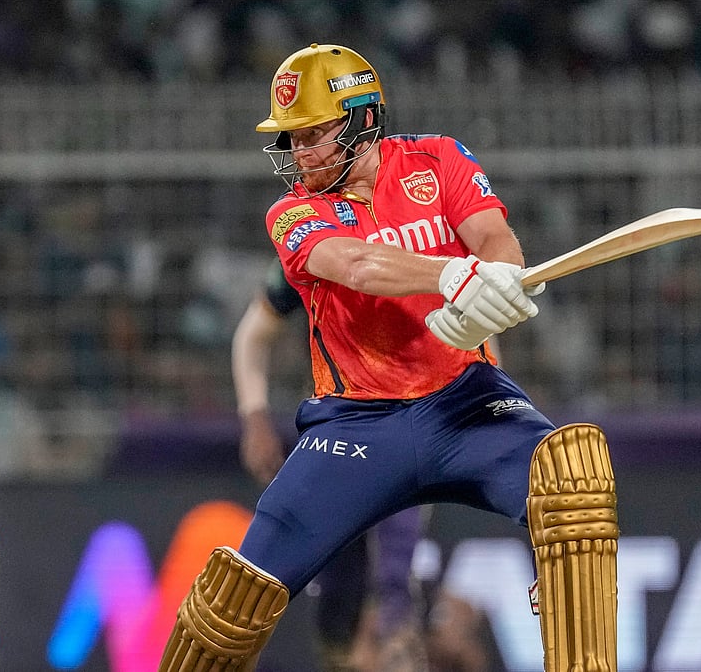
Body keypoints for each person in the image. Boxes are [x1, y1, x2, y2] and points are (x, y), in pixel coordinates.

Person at [158, 43, 619, 672]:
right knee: (230, 602)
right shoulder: (293, 211)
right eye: (291, 138)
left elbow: (493, 238)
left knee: (575, 482)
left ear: (363, 119)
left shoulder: (441, 158)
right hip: (357, 427)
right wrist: (456, 275)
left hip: (468, 403)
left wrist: (500, 279)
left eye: (313, 134)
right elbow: (358, 263)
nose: (299, 153)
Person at [232, 261, 426, 671]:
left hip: (411, 426)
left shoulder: (419, 233)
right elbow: (253, 333)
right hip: (336, 433)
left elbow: (482, 335)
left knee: (395, 582)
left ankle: (396, 648)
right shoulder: (312, 244)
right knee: (334, 585)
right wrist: (254, 417)